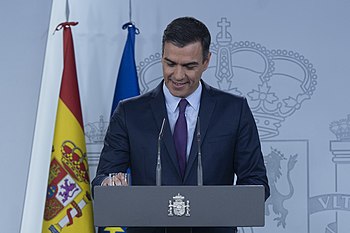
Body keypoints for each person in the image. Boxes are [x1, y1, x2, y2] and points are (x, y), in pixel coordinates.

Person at [92, 16, 270, 233]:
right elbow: (103, 177)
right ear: (162, 57)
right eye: (170, 64)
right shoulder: (129, 113)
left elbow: (256, 182)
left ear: (206, 61)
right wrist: (108, 185)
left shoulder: (234, 110)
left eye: (189, 66)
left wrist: (231, 202)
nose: (178, 75)